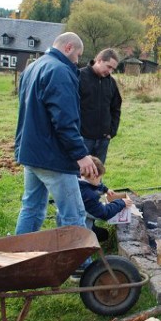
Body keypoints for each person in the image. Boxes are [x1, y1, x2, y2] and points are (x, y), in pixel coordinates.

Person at [14, 32, 98, 235]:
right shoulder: (59, 71)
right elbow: (64, 120)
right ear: (69, 48)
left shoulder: (33, 67)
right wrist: (80, 154)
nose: (77, 62)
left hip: (30, 151)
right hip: (53, 156)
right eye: (78, 55)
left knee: (31, 208)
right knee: (73, 214)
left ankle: (17, 257)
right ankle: (79, 265)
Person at [70, 156, 133, 281]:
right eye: (100, 178)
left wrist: (105, 189)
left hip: (71, 218)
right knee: (84, 243)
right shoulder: (88, 195)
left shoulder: (78, 178)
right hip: (78, 227)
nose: (100, 181)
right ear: (94, 176)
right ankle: (78, 271)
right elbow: (104, 213)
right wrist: (121, 203)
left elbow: (95, 185)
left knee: (103, 235)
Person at [78, 48, 122, 164]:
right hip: (83, 139)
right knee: (78, 176)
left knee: (97, 177)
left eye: (113, 69)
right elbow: (70, 107)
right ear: (99, 60)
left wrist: (111, 131)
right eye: (109, 67)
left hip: (103, 140)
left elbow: (116, 108)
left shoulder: (111, 83)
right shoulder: (79, 77)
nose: (110, 71)